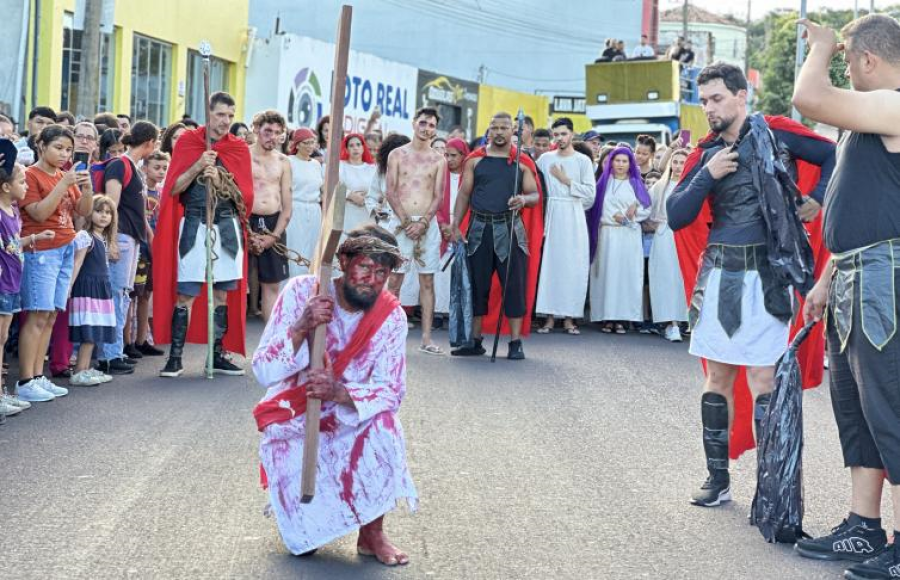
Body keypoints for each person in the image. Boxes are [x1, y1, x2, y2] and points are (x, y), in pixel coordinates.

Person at [666, 62, 836, 508]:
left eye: (717, 98)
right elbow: (676, 216)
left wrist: (818, 201)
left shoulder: (777, 134)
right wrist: (709, 174)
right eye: (703, 100)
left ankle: (771, 484)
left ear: (742, 96)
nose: (709, 108)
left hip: (767, 276)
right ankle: (717, 479)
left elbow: (833, 156)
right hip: (720, 273)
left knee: (764, 378)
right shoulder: (707, 155)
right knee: (717, 377)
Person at [792, 15, 900, 578]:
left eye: (846, 56)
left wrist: (819, 48)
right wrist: (825, 279)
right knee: (858, 411)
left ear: (866, 60)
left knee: (893, 407)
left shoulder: (895, 103)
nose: (841, 64)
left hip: (886, 277)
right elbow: (864, 208)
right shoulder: (867, 116)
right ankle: (864, 526)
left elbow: (807, 96)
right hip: (856, 273)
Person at [251, 225, 416, 565]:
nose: (372, 279)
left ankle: (372, 533)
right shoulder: (301, 292)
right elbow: (263, 371)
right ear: (342, 261)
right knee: (304, 545)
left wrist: (339, 392)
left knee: (384, 424)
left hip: (347, 415)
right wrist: (301, 326)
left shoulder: (392, 317)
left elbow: (391, 391)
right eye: (365, 267)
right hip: (296, 418)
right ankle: (305, 516)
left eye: (381, 272)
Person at [153, 91, 253, 378]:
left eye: (231, 116)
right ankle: (175, 358)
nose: (226, 121)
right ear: (209, 113)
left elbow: (245, 196)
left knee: (222, 292)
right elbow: (173, 188)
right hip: (195, 224)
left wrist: (221, 178)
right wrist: (198, 165)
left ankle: (216, 354)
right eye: (221, 115)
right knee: (186, 293)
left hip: (225, 225)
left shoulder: (238, 148)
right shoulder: (188, 142)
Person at [450, 112, 544, 360]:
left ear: (513, 131)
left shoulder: (522, 162)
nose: (500, 132)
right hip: (479, 229)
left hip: (510, 230)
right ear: (489, 130)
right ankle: (475, 340)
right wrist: (455, 224)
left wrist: (523, 199)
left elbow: (535, 196)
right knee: (477, 286)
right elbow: (463, 194)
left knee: (514, 285)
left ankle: (515, 343)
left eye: (505, 128)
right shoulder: (475, 160)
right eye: (496, 128)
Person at [18, 125, 94, 402]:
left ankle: (38, 376)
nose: (64, 154)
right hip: (41, 250)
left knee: (50, 315)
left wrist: (86, 188)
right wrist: (64, 183)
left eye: (68, 150)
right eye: (58, 148)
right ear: (41, 146)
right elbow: (38, 213)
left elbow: (84, 211)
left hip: (65, 247)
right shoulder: (30, 175)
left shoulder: (65, 175)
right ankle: (26, 380)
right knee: (37, 314)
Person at [97, 121, 158, 375]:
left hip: (131, 237)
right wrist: (110, 240)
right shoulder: (120, 165)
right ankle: (109, 355)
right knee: (116, 295)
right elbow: (111, 205)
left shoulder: (132, 166)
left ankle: (116, 350)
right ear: (150, 143)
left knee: (122, 294)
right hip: (120, 236)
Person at [384, 108, 446, 355]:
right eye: (423, 123)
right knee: (395, 280)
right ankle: (387, 336)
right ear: (414, 124)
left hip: (426, 226)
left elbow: (438, 195)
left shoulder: (438, 159)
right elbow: (391, 191)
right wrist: (407, 222)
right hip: (401, 223)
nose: (426, 128)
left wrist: (423, 223)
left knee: (427, 280)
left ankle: (427, 338)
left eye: (431, 125)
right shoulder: (397, 154)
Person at [535, 118, 596, 334]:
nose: (560, 138)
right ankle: (549, 317)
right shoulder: (545, 159)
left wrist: (566, 180)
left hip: (574, 216)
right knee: (551, 266)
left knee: (573, 265)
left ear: (572, 134)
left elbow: (590, 195)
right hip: (552, 215)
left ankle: (570, 318)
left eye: (563, 134)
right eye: (556, 135)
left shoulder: (583, 161)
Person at [586, 147, 651, 333]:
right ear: (611, 162)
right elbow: (595, 209)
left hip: (628, 236)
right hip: (608, 235)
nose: (621, 164)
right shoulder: (603, 184)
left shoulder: (636, 184)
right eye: (617, 160)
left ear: (630, 164)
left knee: (626, 276)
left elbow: (647, 208)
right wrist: (614, 216)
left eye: (624, 161)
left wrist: (634, 213)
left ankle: (623, 318)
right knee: (608, 275)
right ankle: (607, 318)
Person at [0, 143, 37, 417]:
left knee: (2, 338)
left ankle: (2, 391)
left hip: (13, 282)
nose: (26, 186)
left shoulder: (14, 212)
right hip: (2, 283)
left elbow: (12, 245)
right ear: (5, 186)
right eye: (22, 181)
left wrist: (33, 239)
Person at [68, 195, 117, 386]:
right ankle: (79, 371)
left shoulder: (103, 238)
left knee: (96, 331)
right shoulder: (85, 236)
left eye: (108, 213)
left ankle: (87, 369)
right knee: (88, 332)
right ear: (90, 213)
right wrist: (69, 286)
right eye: (99, 211)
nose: (104, 216)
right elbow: (77, 262)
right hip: (87, 290)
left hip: (100, 290)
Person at [248, 110, 292, 322]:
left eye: (277, 132)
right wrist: (247, 232)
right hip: (246, 221)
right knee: (234, 284)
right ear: (256, 130)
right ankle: (223, 346)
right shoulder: (244, 155)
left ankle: (269, 343)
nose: (272, 137)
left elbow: (287, 206)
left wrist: (274, 236)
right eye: (267, 131)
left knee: (272, 285)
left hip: (273, 222)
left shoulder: (283, 161)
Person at [647, 148, 689, 342]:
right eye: (676, 162)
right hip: (664, 236)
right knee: (665, 278)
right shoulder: (660, 187)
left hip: (686, 237)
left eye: (682, 162)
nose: (678, 166)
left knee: (683, 279)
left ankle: (684, 321)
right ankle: (670, 323)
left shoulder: (691, 185)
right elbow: (645, 208)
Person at [131, 150, 169, 357]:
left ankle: (142, 338)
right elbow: (144, 221)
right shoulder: (142, 192)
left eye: (164, 168)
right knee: (134, 294)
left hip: (156, 249)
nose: (161, 172)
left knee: (146, 294)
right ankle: (129, 341)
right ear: (145, 168)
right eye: (157, 168)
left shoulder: (162, 193)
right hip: (143, 247)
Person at [286, 127, 324, 277]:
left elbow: (321, 188)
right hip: (295, 208)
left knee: (312, 250)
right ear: (297, 145)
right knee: (294, 249)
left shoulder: (316, 164)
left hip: (314, 210)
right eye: (305, 143)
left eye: (312, 142)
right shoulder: (289, 161)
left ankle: (307, 289)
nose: (309, 146)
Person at [339, 133, 377, 235]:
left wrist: (367, 195)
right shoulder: (341, 166)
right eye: (351, 146)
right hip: (347, 214)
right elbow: (334, 187)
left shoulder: (372, 169)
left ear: (363, 148)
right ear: (346, 150)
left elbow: (379, 191)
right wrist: (350, 195)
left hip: (366, 214)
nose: (355, 148)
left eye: (358, 145)